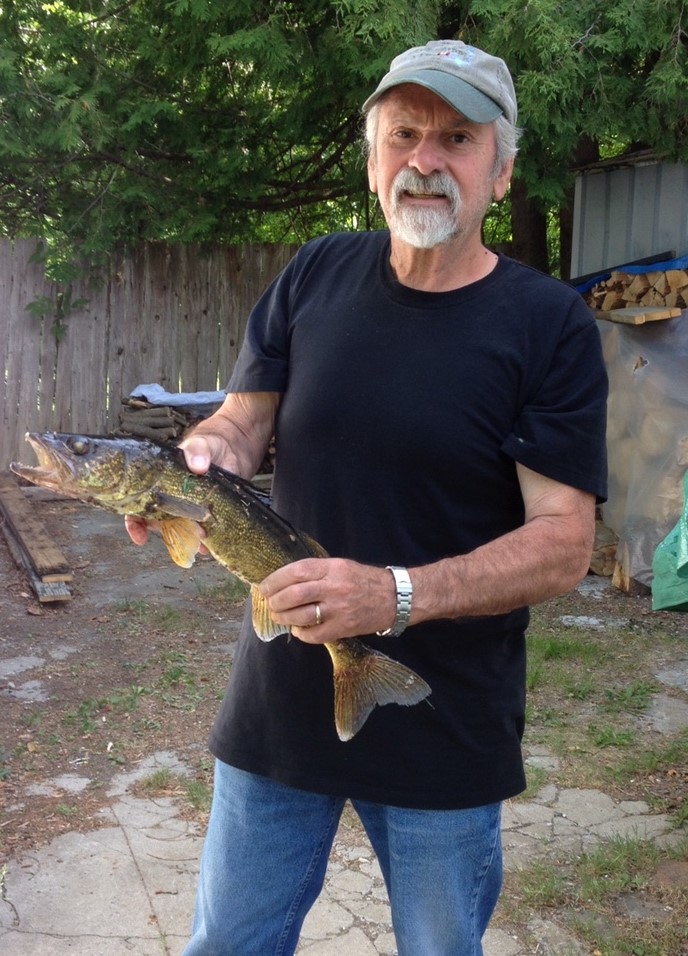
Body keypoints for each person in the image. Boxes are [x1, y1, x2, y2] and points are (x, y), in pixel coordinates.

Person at [127, 39, 607, 956]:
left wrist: (392, 595)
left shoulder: (549, 326)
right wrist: (203, 456)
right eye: (404, 134)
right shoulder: (315, 273)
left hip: (444, 715)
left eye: (458, 138)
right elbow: (242, 422)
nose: (425, 160)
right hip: (278, 705)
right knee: (228, 943)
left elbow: (562, 542)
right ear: (375, 158)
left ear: (500, 173)